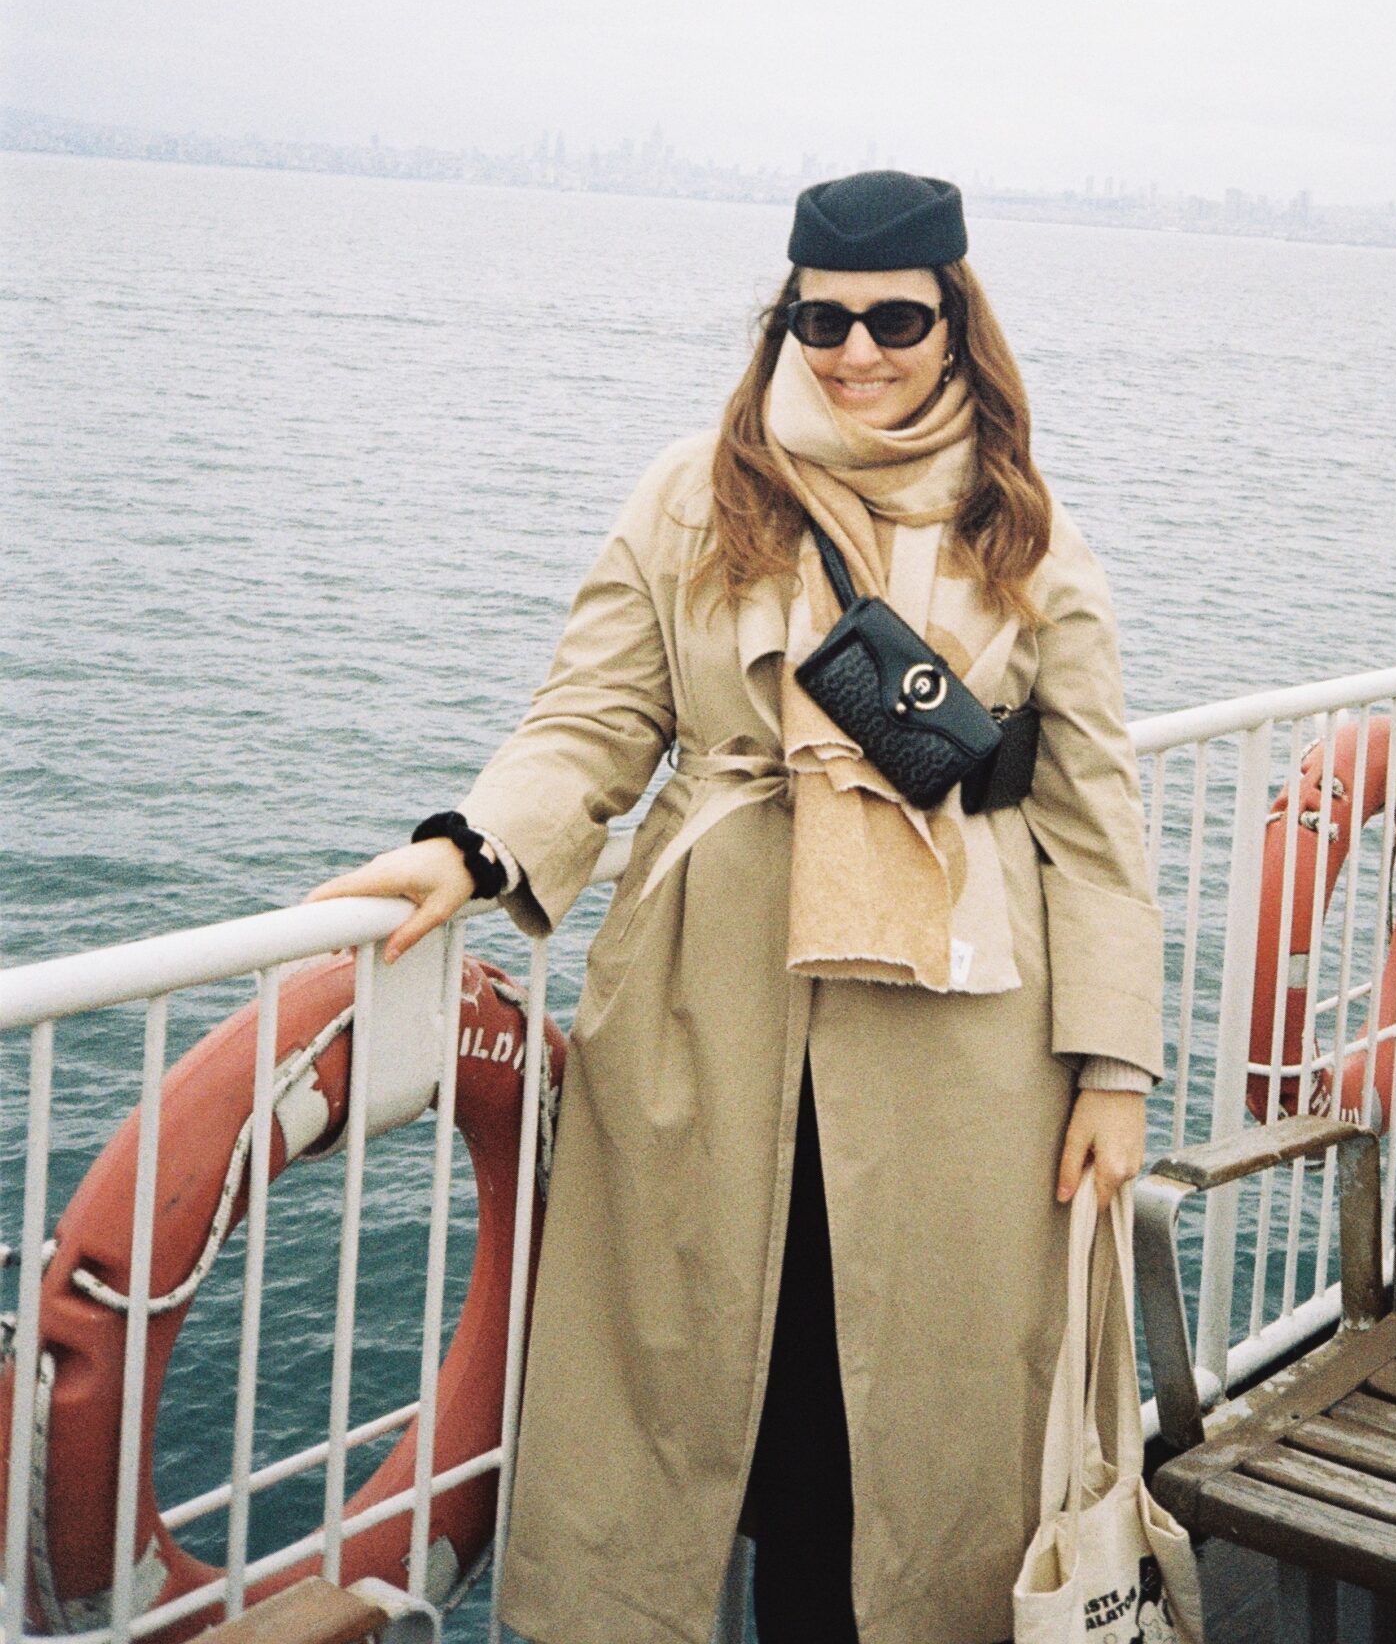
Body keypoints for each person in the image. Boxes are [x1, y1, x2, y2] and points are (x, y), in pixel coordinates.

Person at [310, 170, 1164, 1644]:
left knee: (902, 1416)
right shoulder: (694, 496)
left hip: (963, 1056)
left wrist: (1115, 1072)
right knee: (718, 1397)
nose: (857, 351)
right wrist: (472, 846)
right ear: (785, 319)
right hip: (713, 1010)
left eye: (896, 319)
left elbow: (1093, 817)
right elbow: (593, 715)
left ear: (958, 323)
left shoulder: (1026, 533)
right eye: (822, 320)